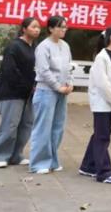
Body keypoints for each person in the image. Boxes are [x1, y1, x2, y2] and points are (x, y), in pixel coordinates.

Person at [79, 25, 111, 183]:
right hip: (101, 103)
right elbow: (103, 86)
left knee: (100, 134)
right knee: (103, 136)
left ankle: (88, 166)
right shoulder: (101, 58)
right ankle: (104, 172)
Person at [0, 18, 40, 168]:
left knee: (26, 124)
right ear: (24, 29)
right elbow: (10, 70)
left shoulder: (35, 47)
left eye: (38, 27)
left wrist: (34, 86)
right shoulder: (14, 46)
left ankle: (16, 155)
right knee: (10, 125)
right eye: (33, 27)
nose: (37, 30)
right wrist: (26, 85)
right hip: (12, 92)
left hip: (29, 93)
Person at [30, 16, 73, 174]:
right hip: (46, 91)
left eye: (65, 27)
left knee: (58, 127)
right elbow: (43, 70)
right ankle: (38, 163)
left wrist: (70, 83)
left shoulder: (65, 46)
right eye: (61, 27)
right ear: (51, 29)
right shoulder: (43, 46)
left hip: (62, 91)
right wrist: (57, 86)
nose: (64, 30)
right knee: (43, 127)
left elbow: (69, 67)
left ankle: (52, 161)